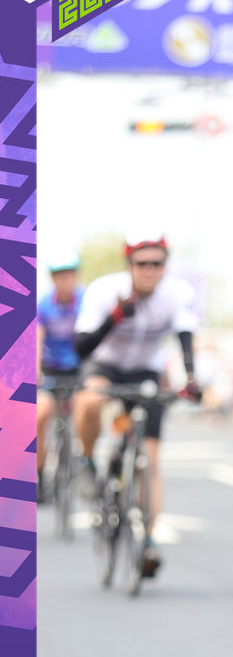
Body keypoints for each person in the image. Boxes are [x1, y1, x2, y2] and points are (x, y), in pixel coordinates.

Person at [72, 237, 201, 577]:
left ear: (165, 266)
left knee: (151, 460)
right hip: (105, 366)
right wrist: (114, 317)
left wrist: (191, 379)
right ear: (129, 265)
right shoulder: (104, 291)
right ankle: (86, 461)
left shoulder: (177, 293)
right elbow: (81, 348)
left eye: (156, 263)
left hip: (146, 371)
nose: (149, 270)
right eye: (142, 264)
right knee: (88, 401)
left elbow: (186, 338)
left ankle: (148, 541)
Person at [36, 251, 84, 503]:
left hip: (79, 367)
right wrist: (36, 370)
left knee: (82, 410)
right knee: (40, 414)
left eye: (69, 275)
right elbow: (37, 338)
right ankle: (40, 474)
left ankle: (82, 462)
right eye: (59, 276)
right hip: (51, 368)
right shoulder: (44, 304)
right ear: (53, 279)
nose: (65, 281)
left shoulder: (86, 301)